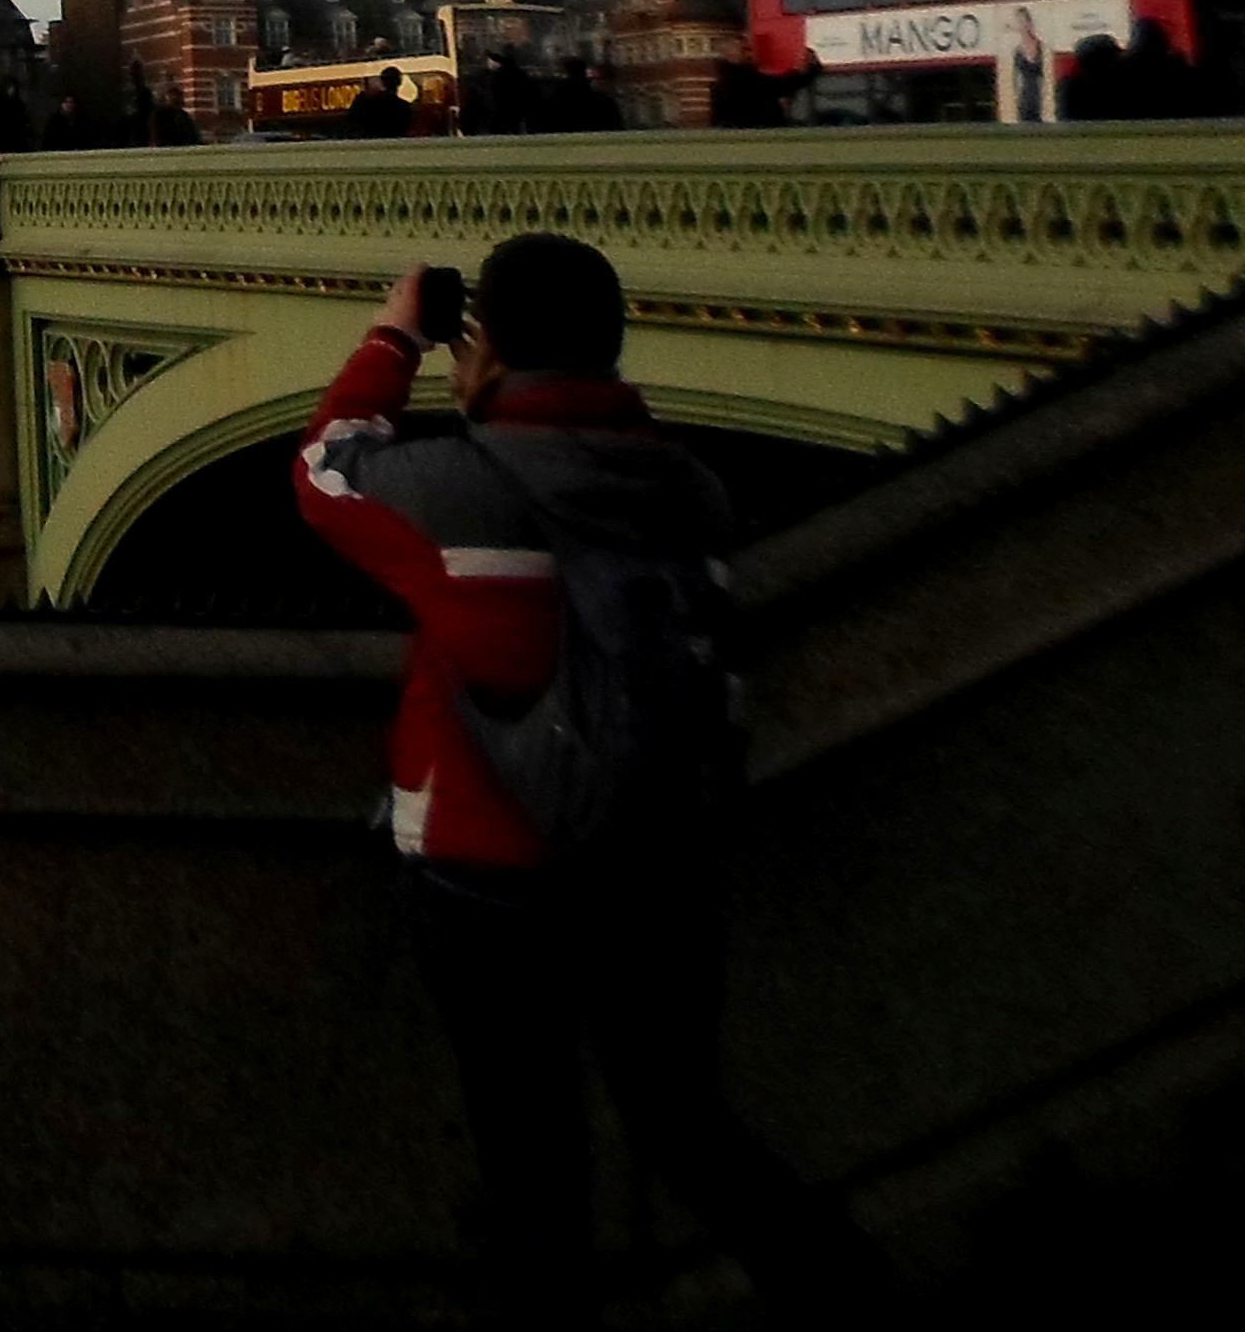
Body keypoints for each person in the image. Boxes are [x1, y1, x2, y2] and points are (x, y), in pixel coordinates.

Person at [293, 236, 899, 1315]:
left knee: (532, 1163)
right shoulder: (692, 488)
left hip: (485, 873)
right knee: (686, 1121)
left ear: (486, 350)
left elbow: (323, 469)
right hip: (660, 854)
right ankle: (850, 1292)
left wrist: (395, 337)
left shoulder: (454, 488)